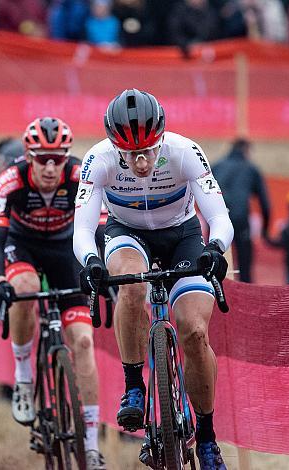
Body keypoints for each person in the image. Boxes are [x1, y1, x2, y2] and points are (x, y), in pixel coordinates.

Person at [73, 88, 234, 470]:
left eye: (149, 149)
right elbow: (82, 229)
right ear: (115, 146)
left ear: (162, 137)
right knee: (127, 283)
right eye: (130, 153)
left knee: (194, 332)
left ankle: (207, 436)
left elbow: (220, 215)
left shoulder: (185, 152)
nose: (141, 161)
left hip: (182, 235)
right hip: (127, 233)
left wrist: (216, 248)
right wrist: (91, 260)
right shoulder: (97, 159)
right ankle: (133, 384)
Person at [0, 117, 106, 469]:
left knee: (83, 342)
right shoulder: (10, 179)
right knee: (23, 288)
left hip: (64, 249)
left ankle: (92, 443)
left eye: (58, 157)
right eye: (42, 159)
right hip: (21, 246)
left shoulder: (78, 176)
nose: (51, 167)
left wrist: (96, 270)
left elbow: (97, 230)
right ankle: (24, 376)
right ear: (28, 156)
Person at [212, 137, 271, 283]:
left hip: (216, 219)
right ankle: (245, 299)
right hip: (240, 219)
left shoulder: (216, 166)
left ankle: (214, 295)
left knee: (213, 263)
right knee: (245, 267)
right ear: (246, 150)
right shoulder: (251, 169)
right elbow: (265, 203)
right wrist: (265, 230)